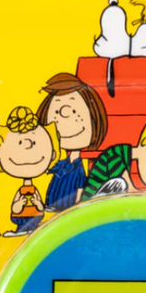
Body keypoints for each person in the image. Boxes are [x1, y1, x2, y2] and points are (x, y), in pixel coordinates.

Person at [36, 72, 108, 211]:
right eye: (57, 112)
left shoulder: (81, 167)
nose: (66, 116)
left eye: (75, 111)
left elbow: (81, 188)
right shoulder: (60, 163)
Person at [0, 106, 60, 237]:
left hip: (36, 217)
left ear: (53, 154)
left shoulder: (34, 190)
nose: (27, 146)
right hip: (20, 217)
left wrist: (38, 204)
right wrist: (18, 205)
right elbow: (15, 208)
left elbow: (40, 206)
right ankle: (21, 230)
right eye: (20, 142)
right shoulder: (21, 191)